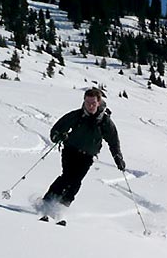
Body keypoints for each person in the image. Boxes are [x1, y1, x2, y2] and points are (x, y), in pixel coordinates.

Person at [41, 87, 125, 215]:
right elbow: (56, 130)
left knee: (76, 181)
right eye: (87, 103)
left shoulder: (104, 121)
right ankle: (47, 202)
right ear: (84, 102)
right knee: (67, 177)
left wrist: (118, 158)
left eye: (93, 103)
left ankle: (62, 207)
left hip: (87, 156)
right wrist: (59, 136)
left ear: (98, 103)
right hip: (70, 150)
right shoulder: (76, 115)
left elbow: (113, 141)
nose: (90, 106)